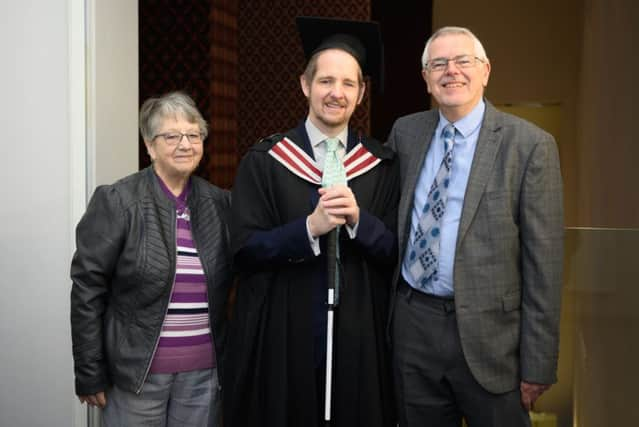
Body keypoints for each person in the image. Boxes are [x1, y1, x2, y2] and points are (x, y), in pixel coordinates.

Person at [223, 16, 398, 427]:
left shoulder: (382, 165)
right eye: (325, 82)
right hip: (287, 328)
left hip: (360, 331)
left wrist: (359, 221)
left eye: (348, 84)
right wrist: (308, 229)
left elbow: (395, 250)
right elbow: (243, 250)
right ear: (305, 85)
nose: (336, 93)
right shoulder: (265, 161)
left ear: (361, 94)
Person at [388, 26, 564, 427]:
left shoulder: (530, 146)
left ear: (485, 71)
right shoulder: (406, 133)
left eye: (463, 61)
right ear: (426, 78)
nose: (452, 71)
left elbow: (545, 267)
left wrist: (538, 364)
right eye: (439, 64)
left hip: (494, 342)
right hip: (414, 326)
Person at [70, 91, 232, 426]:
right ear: (149, 145)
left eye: (193, 134)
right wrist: (90, 370)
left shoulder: (221, 204)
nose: (185, 144)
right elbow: (87, 290)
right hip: (136, 377)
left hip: (203, 377)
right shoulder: (118, 200)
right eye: (171, 136)